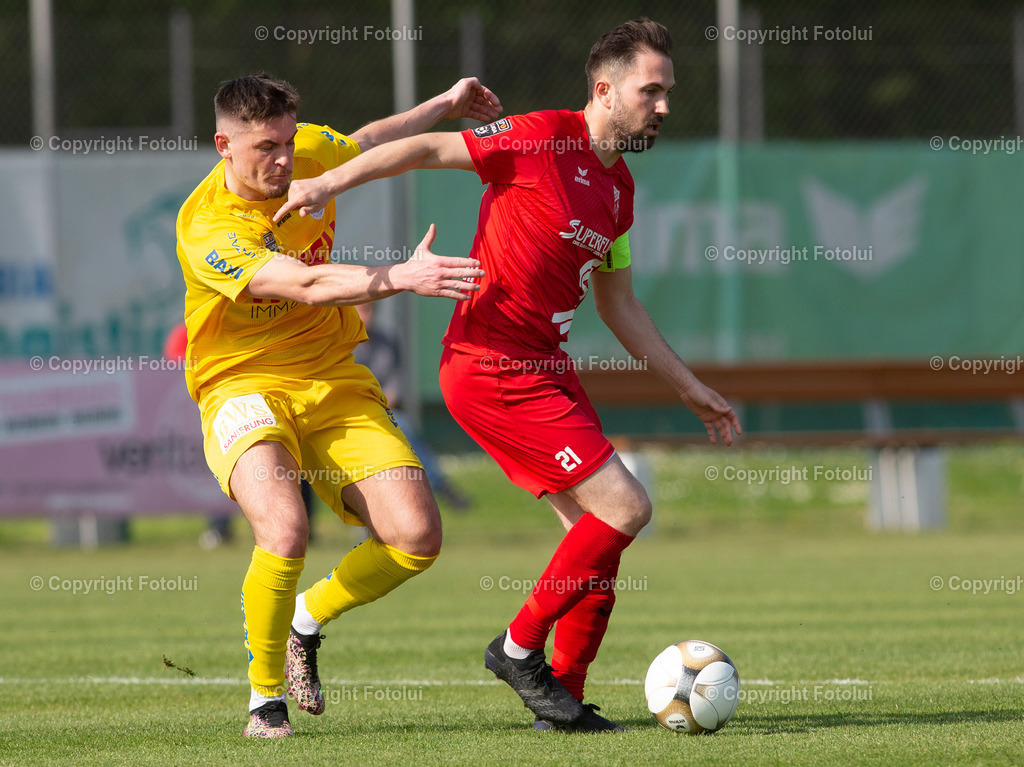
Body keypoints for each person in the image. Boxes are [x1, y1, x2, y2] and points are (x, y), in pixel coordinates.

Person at [274, 18, 741, 732]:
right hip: (490, 364)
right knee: (627, 508)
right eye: (651, 91)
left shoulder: (619, 191)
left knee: (598, 545)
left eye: (668, 92)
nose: (664, 106)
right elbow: (429, 147)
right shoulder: (543, 136)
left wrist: (689, 387)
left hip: (546, 367)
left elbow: (618, 304)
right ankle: (517, 650)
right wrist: (329, 180)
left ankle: (564, 702)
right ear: (604, 90)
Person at [175, 72, 499, 738]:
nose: (285, 160)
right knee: (284, 529)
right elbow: (307, 283)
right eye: (266, 147)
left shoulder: (308, 152)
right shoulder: (207, 225)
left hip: (331, 376)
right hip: (242, 383)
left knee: (416, 537)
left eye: (288, 142)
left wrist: (442, 105)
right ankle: (265, 701)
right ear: (224, 146)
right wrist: (402, 276)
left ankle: (306, 618)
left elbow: (369, 141)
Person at [353, 302, 470, 510]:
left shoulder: (386, 342)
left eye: (368, 310)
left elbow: (393, 387)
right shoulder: (341, 344)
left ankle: (434, 484)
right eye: (360, 310)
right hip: (348, 413)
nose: (365, 316)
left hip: (381, 410)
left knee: (403, 426)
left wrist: (378, 405)